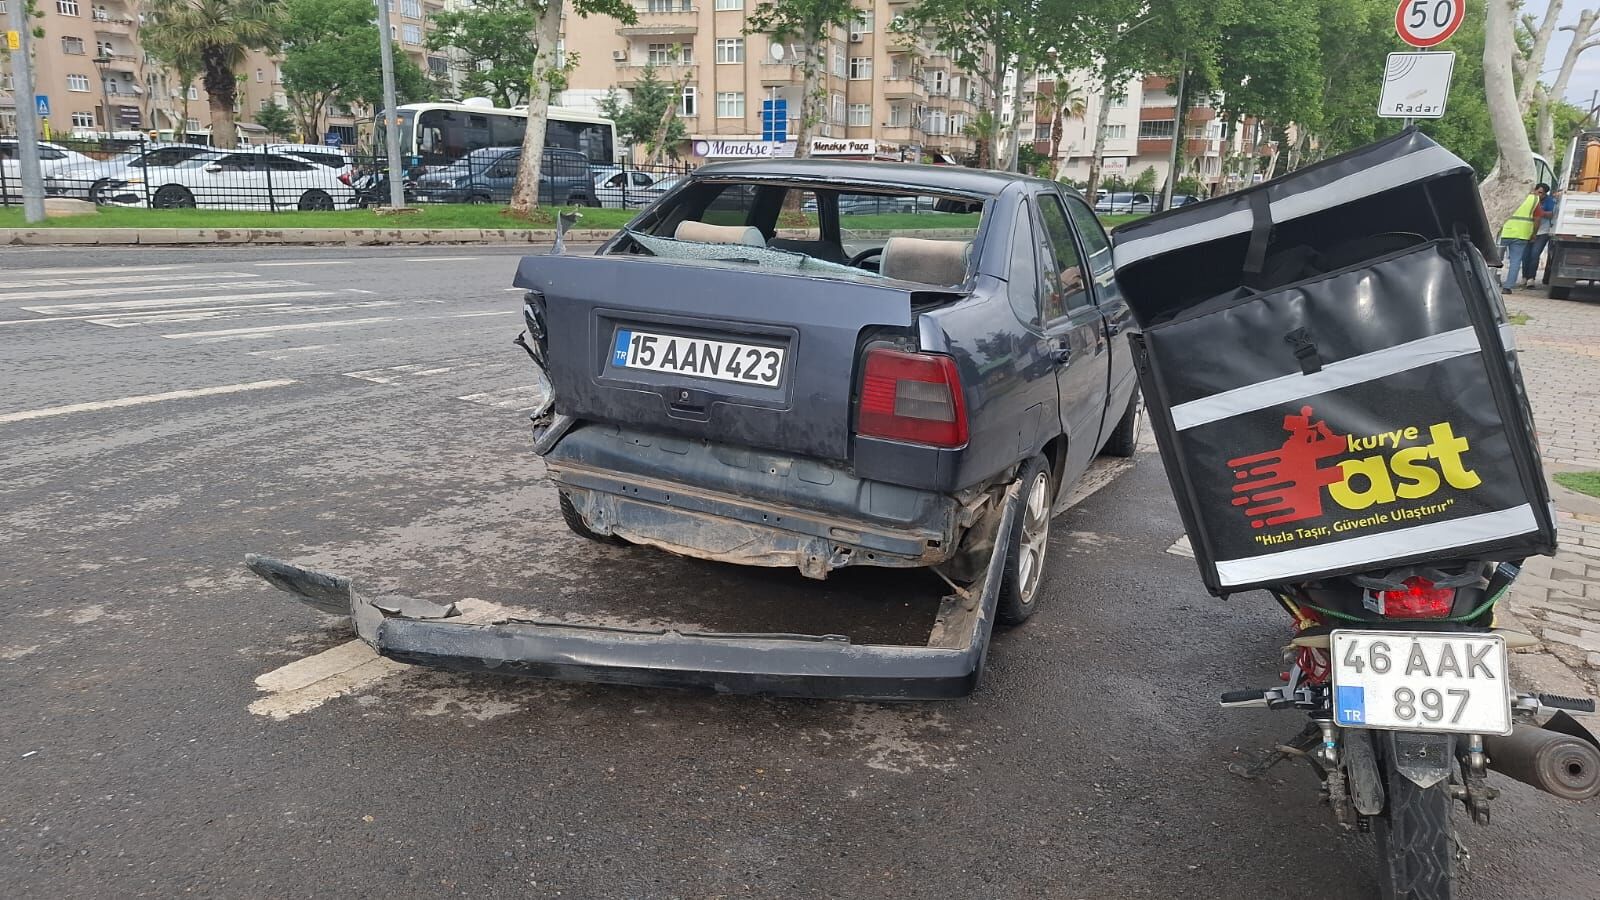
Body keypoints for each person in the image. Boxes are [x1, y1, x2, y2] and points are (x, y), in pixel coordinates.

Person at [1499, 183, 1548, 293]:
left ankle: (1492, 282)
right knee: (1516, 261)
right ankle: (1508, 287)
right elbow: (1537, 219)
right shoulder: (1534, 200)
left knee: (1495, 258)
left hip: (1504, 231)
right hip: (1522, 234)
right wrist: (1534, 233)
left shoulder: (1508, 195)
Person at [1523, 189, 1558, 287]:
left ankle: (1531, 278)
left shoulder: (1549, 201)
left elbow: (1551, 214)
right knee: (1525, 256)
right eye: (1537, 192)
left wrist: (1539, 212)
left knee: (1534, 254)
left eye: (1541, 193)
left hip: (1542, 232)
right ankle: (1524, 277)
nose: (1539, 194)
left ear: (1545, 194)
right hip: (1528, 231)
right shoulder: (1531, 200)